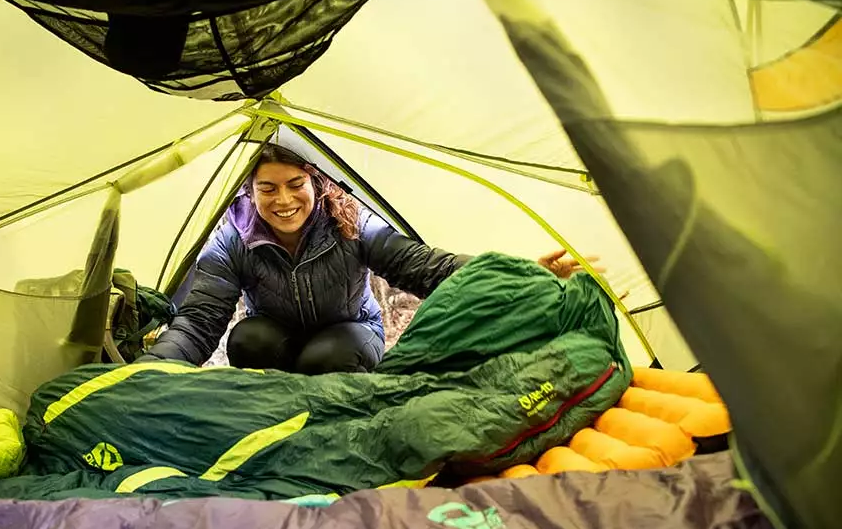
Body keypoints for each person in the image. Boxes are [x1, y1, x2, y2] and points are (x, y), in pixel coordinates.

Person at [142, 144, 599, 374]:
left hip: (350, 332)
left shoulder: (353, 224)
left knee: (329, 356)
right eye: (268, 189)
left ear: (316, 182)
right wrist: (151, 371)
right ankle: (276, 408)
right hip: (279, 338)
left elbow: (427, 268)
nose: (284, 200)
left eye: (295, 185)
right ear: (249, 191)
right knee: (247, 338)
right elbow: (200, 321)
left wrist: (518, 274)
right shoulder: (232, 240)